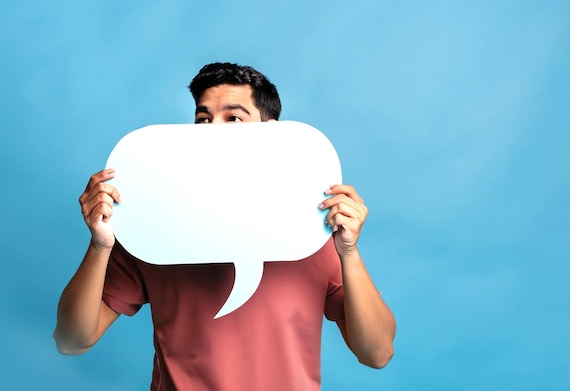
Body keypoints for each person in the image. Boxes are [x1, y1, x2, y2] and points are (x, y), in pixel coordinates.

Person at [54, 62, 396, 390]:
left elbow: (377, 354)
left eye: (233, 117)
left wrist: (348, 253)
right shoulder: (153, 229)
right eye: (203, 119)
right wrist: (100, 245)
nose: (213, 130)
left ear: (271, 132)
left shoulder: (312, 230)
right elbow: (72, 341)